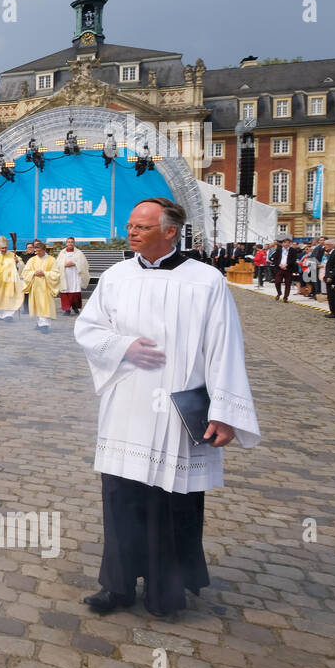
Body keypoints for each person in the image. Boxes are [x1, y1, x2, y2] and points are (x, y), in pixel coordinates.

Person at [74, 197, 260, 617]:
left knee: (170, 501)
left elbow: (224, 348)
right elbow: (88, 327)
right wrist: (123, 347)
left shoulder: (205, 281)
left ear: (170, 231)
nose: (131, 232)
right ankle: (117, 586)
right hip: (129, 404)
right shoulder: (116, 275)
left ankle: (166, 591)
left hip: (178, 408)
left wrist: (224, 412)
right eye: (130, 225)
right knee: (121, 497)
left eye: (141, 226)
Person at [22, 241, 60, 333]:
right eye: (36, 251)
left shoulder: (51, 260)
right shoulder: (32, 260)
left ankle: (45, 325)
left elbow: (56, 273)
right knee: (37, 305)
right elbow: (25, 272)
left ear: (44, 250)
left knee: (45, 305)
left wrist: (45, 273)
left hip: (46, 286)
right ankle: (40, 323)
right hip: (35, 286)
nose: (37, 253)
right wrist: (33, 273)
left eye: (39, 251)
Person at [56, 237, 90, 316]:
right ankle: (66, 309)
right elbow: (57, 264)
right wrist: (64, 265)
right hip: (65, 275)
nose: (70, 243)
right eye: (68, 242)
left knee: (75, 292)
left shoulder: (79, 253)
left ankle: (75, 307)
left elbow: (84, 264)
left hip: (75, 274)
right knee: (65, 291)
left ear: (74, 243)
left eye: (72, 242)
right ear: (66, 243)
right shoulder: (62, 253)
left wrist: (75, 264)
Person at [271, 237, 301, 302]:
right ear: (283, 243)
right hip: (280, 268)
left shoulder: (293, 250)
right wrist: (279, 265)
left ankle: (285, 297)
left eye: (288, 243)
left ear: (290, 244)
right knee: (277, 282)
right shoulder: (279, 250)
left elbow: (293, 260)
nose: (286, 244)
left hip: (288, 268)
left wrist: (287, 264)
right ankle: (279, 293)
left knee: (288, 283)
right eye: (285, 243)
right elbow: (275, 259)